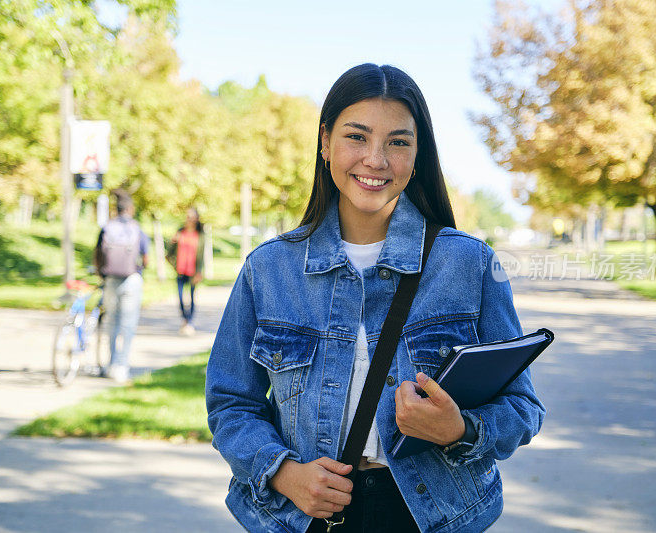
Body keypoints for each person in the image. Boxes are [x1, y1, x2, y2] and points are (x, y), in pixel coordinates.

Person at [205, 64, 546, 533]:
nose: (376, 159)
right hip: (305, 514)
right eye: (357, 137)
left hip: (432, 516)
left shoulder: (469, 264)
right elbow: (230, 403)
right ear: (325, 143)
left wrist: (460, 430)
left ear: (417, 153)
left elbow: (523, 408)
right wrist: (284, 474)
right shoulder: (268, 269)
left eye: (398, 142)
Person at [94, 191, 149, 383]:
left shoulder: (108, 228)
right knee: (128, 324)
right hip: (131, 279)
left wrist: (102, 273)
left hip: (110, 280)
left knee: (112, 322)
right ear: (130, 209)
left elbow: (98, 254)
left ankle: (110, 363)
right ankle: (121, 366)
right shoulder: (137, 229)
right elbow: (145, 256)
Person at [167, 207, 204, 335]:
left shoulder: (200, 234)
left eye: (191, 217)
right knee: (181, 297)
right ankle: (184, 318)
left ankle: (189, 321)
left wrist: (199, 271)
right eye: (187, 217)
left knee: (192, 297)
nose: (188, 219)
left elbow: (201, 255)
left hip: (193, 271)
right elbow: (169, 253)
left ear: (196, 219)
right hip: (181, 270)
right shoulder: (180, 232)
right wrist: (172, 242)